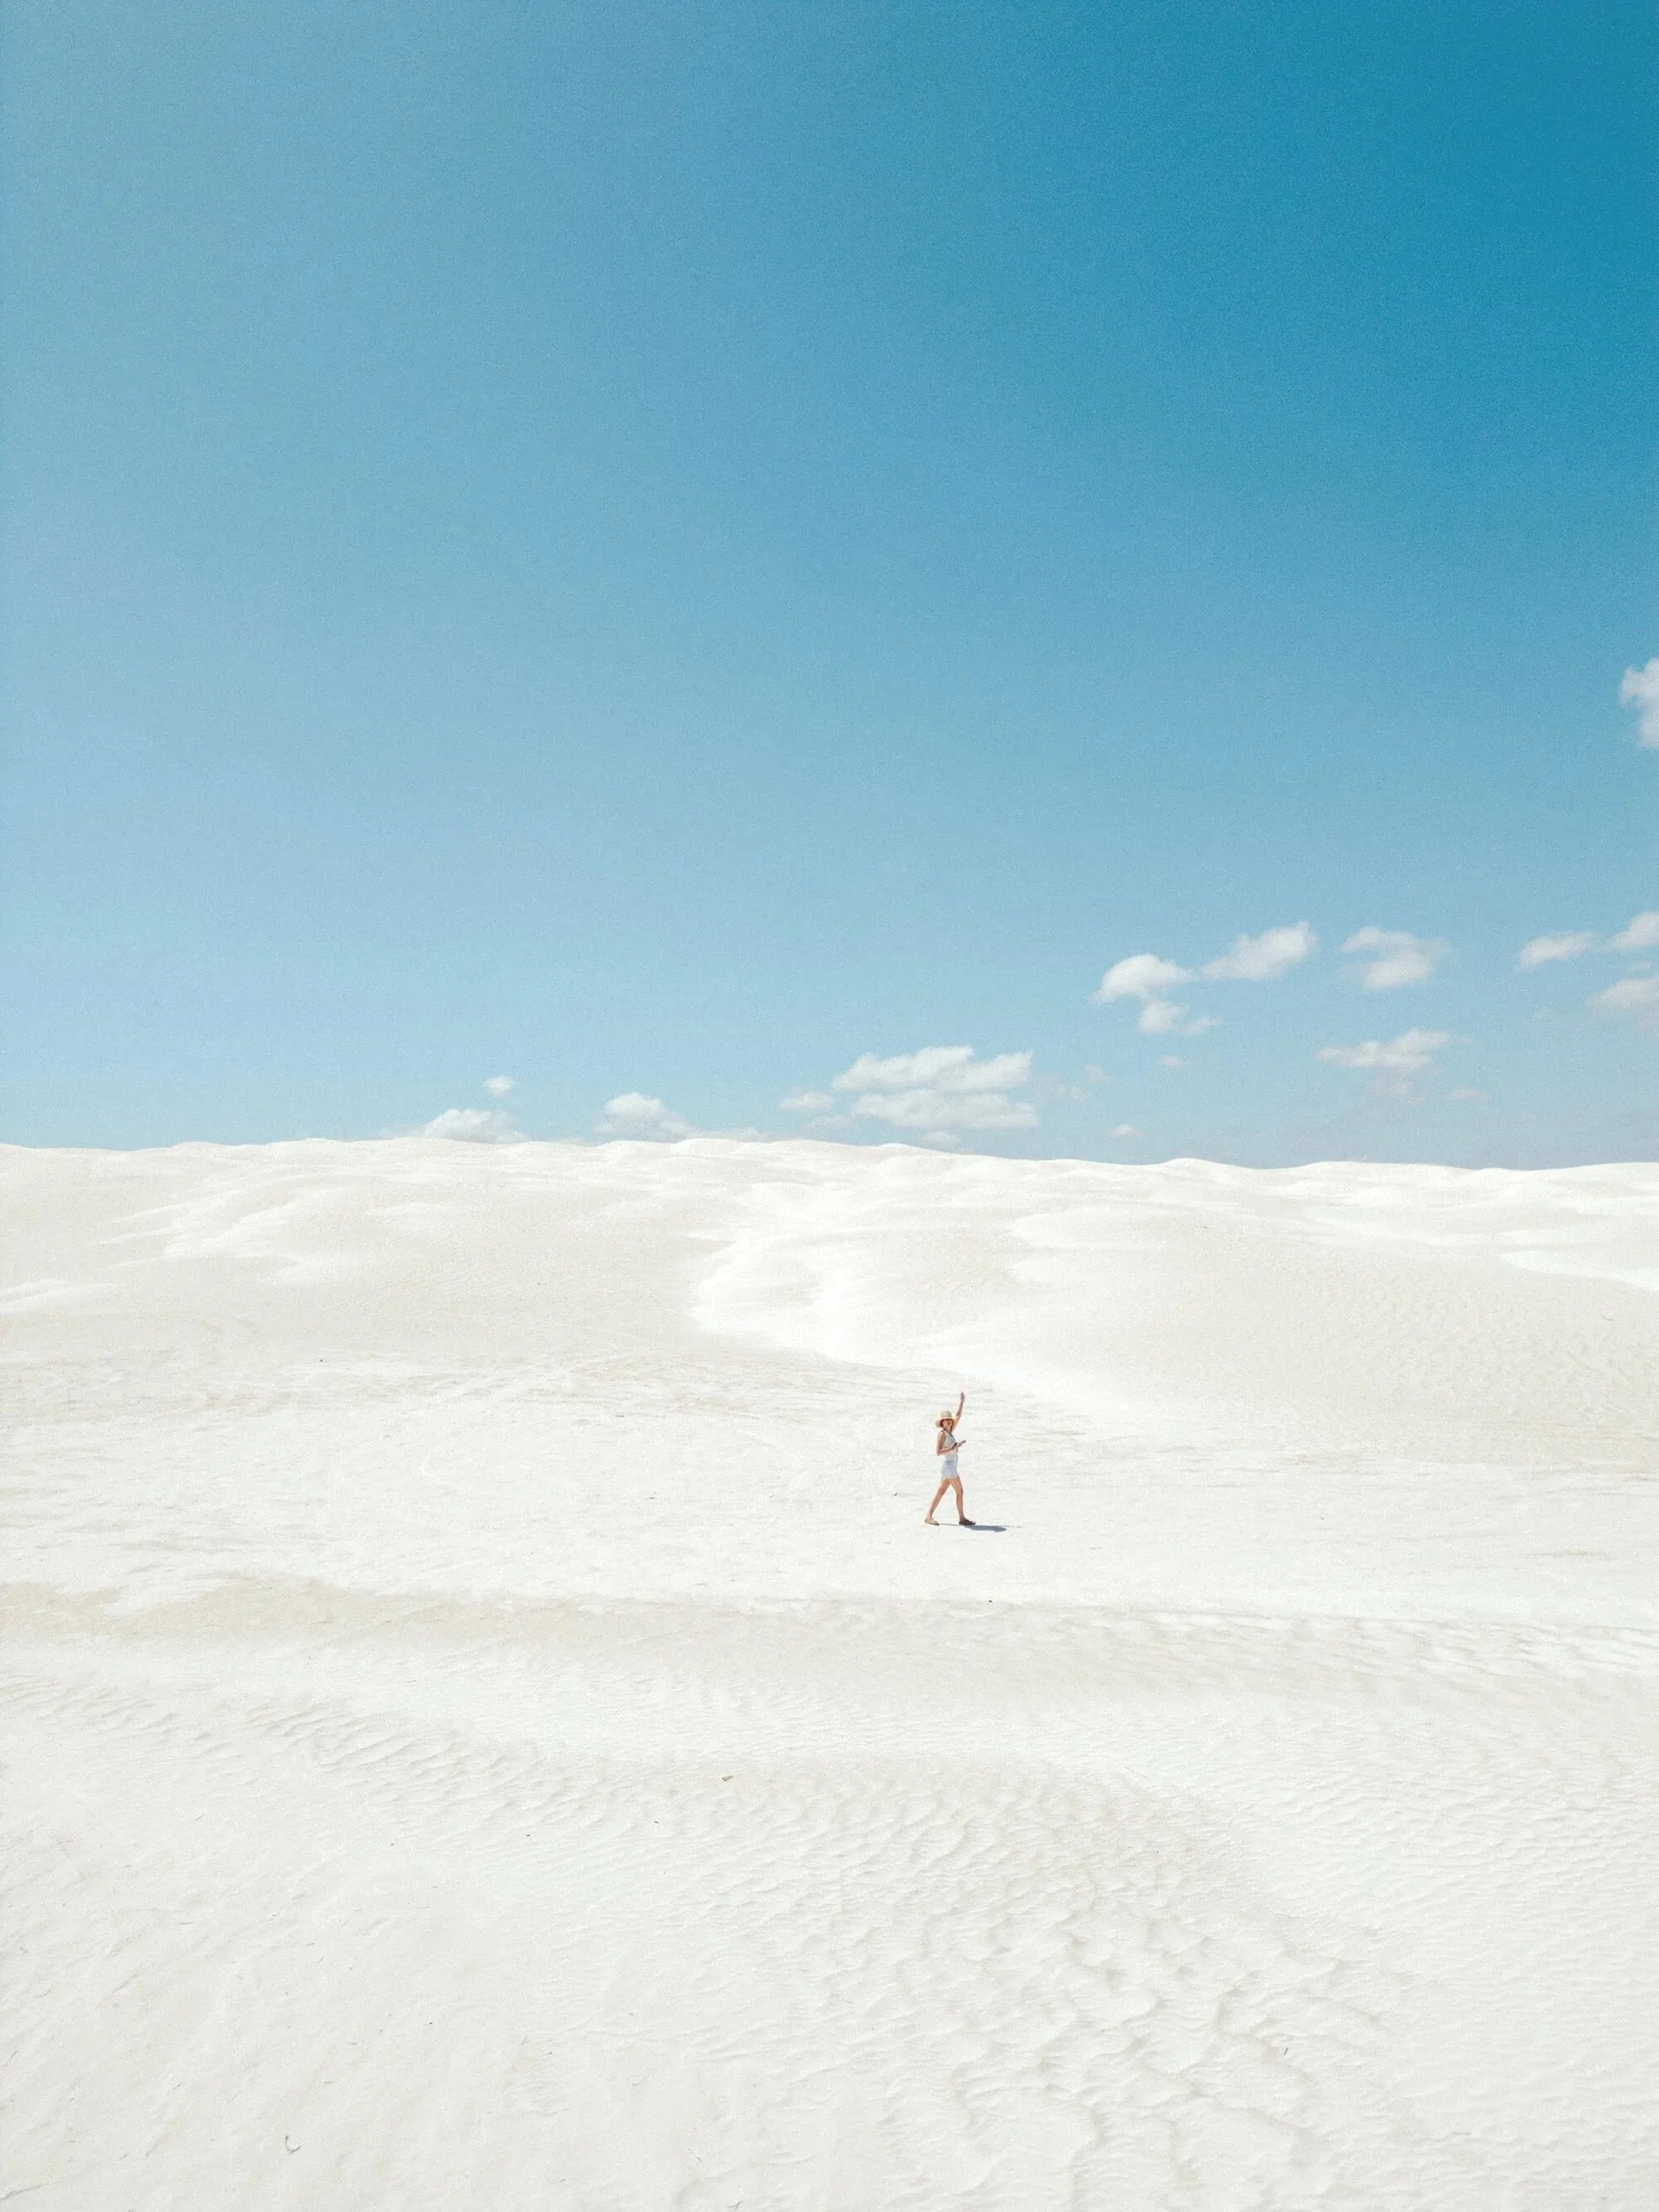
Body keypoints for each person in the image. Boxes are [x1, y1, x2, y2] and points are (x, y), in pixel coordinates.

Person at [925, 1392, 974, 1525]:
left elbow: (958, 1416)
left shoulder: (949, 1432)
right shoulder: (942, 1434)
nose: (949, 1421)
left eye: (950, 1420)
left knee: (941, 1491)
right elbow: (938, 1452)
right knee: (960, 1491)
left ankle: (929, 1516)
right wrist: (953, 1447)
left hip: (950, 1466)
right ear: (942, 1422)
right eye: (947, 1420)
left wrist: (962, 1402)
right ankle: (962, 1518)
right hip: (949, 1466)